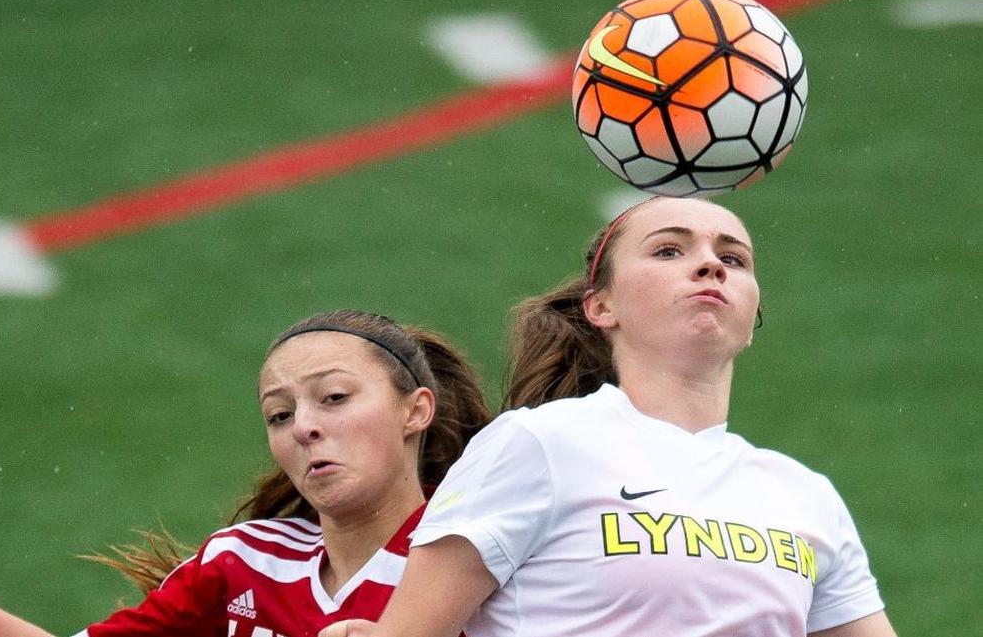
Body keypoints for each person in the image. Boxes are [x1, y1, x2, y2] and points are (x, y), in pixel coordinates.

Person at [320, 197, 897, 637]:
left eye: (733, 258)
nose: (710, 266)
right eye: (670, 250)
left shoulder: (806, 496)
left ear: (752, 316)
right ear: (601, 306)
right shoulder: (539, 444)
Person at [0, 309, 492, 637]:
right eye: (279, 414)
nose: (304, 427)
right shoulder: (242, 562)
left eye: (335, 397)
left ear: (417, 410)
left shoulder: (479, 552)